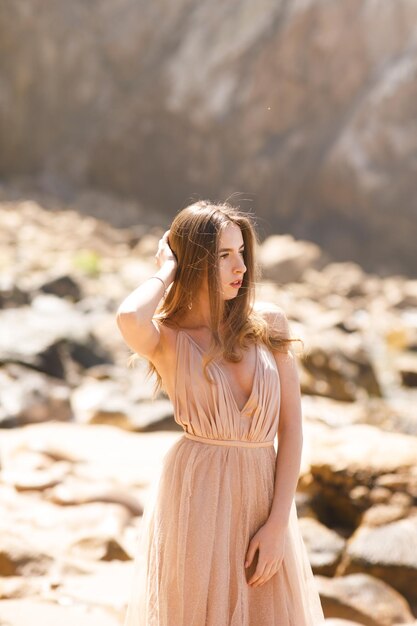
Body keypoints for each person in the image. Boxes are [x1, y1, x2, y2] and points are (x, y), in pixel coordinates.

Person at [116, 200, 325, 625]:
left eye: (242, 252)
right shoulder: (169, 339)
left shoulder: (269, 324)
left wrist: (277, 525)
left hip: (263, 498)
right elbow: (127, 315)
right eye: (224, 255)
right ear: (193, 263)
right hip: (197, 499)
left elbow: (292, 430)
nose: (241, 267)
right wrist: (166, 267)